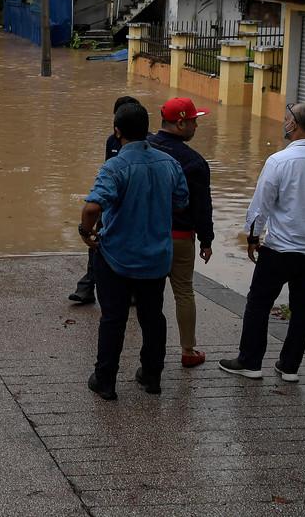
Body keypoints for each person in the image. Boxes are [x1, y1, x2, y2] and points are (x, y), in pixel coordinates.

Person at [220, 103, 305, 382]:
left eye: (287, 119)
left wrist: (253, 238)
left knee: (259, 303)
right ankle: (289, 367)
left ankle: (250, 361)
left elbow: (260, 206)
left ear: (294, 126)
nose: (284, 123)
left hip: (280, 249)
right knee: (303, 305)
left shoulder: (278, 161)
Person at [81, 102, 188, 400]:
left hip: (117, 257)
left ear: (117, 132)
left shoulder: (115, 166)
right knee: (153, 317)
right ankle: (152, 376)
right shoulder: (170, 163)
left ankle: (105, 380)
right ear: (148, 130)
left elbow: (92, 207)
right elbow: (181, 201)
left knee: (113, 319)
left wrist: (85, 232)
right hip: (156, 257)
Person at [148, 98, 214, 368]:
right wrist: (207, 240)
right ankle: (188, 350)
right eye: (194, 121)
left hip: (146, 235)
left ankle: (150, 351)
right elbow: (202, 206)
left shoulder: (142, 149)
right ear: (180, 123)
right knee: (184, 292)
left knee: (149, 294)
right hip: (179, 238)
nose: (197, 125)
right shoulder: (194, 162)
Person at [69, 95, 141, 306]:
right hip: (111, 204)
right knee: (97, 242)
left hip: (134, 207)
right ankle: (88, 286)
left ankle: (133, 288)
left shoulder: (148, 145)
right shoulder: (111, 141)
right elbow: (108, 172)